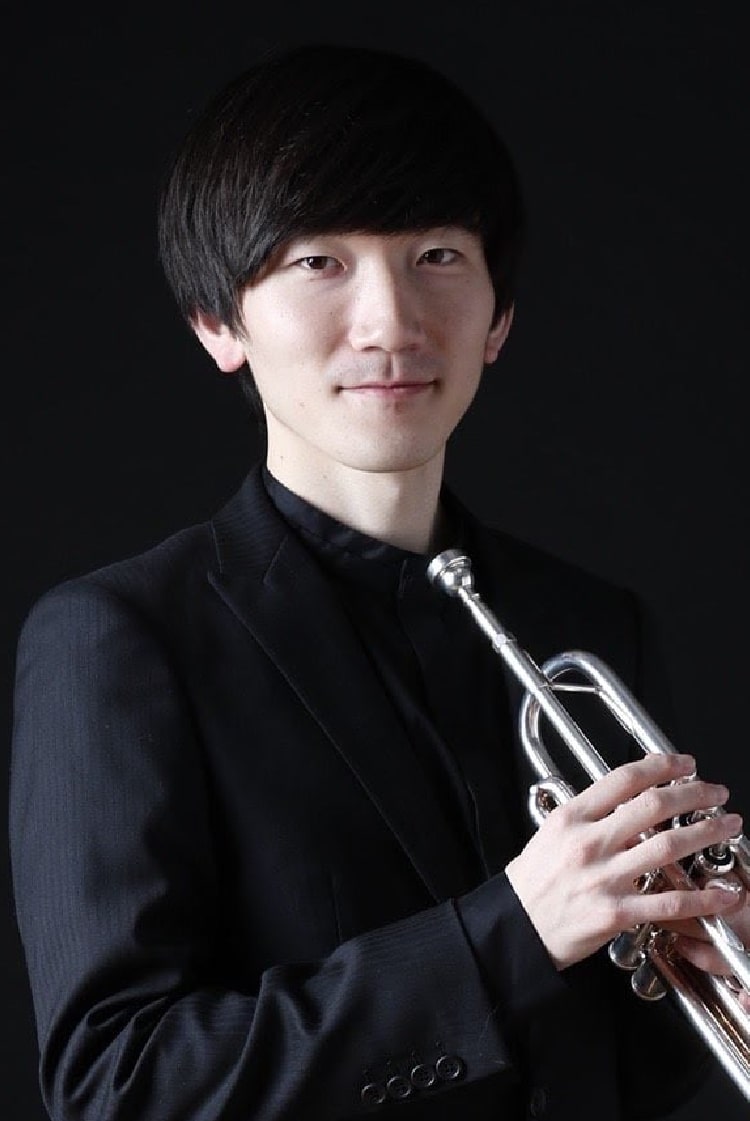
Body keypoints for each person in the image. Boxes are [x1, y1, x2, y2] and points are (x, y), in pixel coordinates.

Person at [9, 42, 750, 1121]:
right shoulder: (121, 639)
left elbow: (618, 1076)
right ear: (217, 321)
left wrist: (715, 967)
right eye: (319, 261)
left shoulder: (592, 622)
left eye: (437, 254)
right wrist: (511, 932)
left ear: (500, 316)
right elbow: (117, 1085)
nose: (392, 323)